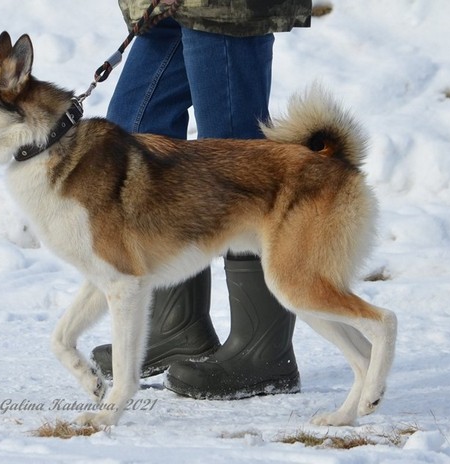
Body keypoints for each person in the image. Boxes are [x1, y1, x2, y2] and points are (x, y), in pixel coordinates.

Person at [91, 0, 312, 400]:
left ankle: (264, 351)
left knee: (235, 156)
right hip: (166, 9)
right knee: (135, 139)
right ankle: (176, 327)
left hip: (224, 8)